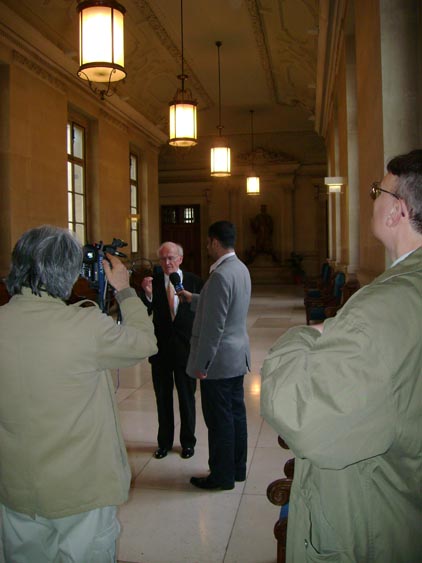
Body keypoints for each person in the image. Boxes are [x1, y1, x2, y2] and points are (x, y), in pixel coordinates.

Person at [260, 150, 422, 563]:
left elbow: (303, 417)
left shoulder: (383, 305)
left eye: (376, 191)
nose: (372, 199)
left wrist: (300, 337)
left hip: (375, 519)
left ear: (396, 212)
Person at [0, 225, 157, 563]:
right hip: (80, 489)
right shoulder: (85, 326)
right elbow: (145, 342)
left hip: (15, 485)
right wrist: (125, 291)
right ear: (69, 273)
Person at [181, 221, 251, 490]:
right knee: (236, 416)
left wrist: (202, 365)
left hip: (219, 362)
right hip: (236, 357)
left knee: (219, 421)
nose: (207, 247)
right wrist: (195, 299)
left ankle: (221, 476)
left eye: (208, 243)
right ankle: (237, 469)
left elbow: (214, 327)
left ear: (214, 242)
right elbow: (227, 306)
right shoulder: (240, 269)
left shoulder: (220, 275)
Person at [140, 242, 203, 459]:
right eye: (163, 259)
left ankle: (188, 442)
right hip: (161, 351)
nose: (167, 263)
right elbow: (144, 312)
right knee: (163, 398)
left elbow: (202, 314)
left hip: (186, 351)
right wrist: (148, 295)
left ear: (180, 259)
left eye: (171, 258)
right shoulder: (153, 283)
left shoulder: (195, 281)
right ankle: (164, 443)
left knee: (187, 398)